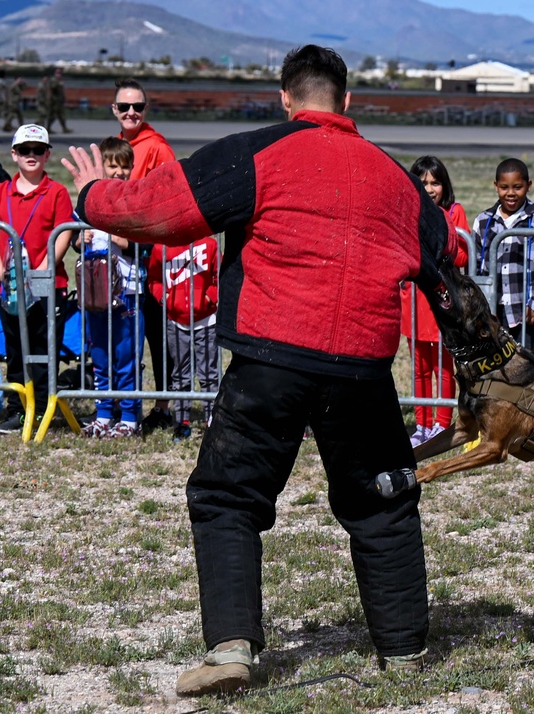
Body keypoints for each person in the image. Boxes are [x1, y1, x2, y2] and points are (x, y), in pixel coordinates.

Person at [64, 45, 459, 695]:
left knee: (227, 497)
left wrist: (92, 194)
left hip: (269, 357)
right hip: (362, 366)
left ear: (285, 98)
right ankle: (405, 650)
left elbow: (164, 212)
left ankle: (232, 648)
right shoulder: (397, 181)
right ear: (347, 102)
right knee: (383, 502)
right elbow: (440, 265)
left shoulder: (257, 150)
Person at [0, 125, 73, 434]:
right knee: (14, 348)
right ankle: (17, 407)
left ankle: (40, 409)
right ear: (13, 155)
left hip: (47, 284)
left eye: (37, 150)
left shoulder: (56, 192)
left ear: (47, 155)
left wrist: (42, 269)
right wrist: (2, 272)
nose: (31, 156)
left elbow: (64, 231)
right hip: (10, 286)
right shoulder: (0, 192)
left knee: (43, 347)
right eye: (24, 150)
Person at [112, 77, 178, 434]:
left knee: (155, 329)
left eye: (137, 106)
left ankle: (164, 405)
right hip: (120, 252)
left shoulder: (156, 147)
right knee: (123, 332)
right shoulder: (119, 145)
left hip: (148, 251)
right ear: (115, 110)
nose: (131, 112)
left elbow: (170, 195)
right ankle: (122, 402)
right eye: (124, 107)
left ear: (146, 109)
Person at [76, 137, 145, 438]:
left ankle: (129, 416)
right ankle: (104, 412)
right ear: (101, 168)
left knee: (126, 356)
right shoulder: (87, 203)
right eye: (112, 166)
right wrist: (82, 240)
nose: (118, 173)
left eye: (124, 167)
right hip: (96, 295)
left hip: (128, 293)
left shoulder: (136, 203)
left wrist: (125, 240)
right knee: (101, 356)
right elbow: (74, 239)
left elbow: (147, 244)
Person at [402, 155, 469, 447]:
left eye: (435, 182)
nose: (429, 189)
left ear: (445, 185)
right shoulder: (405, 211)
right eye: (423, 182)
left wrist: (440, 244)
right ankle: (422, 424)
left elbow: (464, 254)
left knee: (443, 367)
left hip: (442, 302)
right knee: (419, 368)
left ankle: (442, 424)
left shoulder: (454, 212)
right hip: (413, 302)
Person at [471, 158, 534, 357]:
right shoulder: (483, 221)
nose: (510, 193)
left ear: (528, 186)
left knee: (531, 371)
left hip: (528, 315)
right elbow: (475, 269)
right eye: (504, 187)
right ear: (496, 187)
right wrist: (480, 310)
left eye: (517, 187)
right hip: (493, 314)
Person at [146, 235, 221, 441]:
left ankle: (212, 421)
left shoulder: (210, 244)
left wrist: (209, 298)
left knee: (209, 374)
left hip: (206, 321)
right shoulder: (161, 247)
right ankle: (182, 422)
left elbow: (219, 275)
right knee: (180, 374)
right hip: (176, 321)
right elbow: (153, 279)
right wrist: (166, 299)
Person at [47, 68, 72, 134]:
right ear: (55, 74)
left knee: (62, 116)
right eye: (57, 73)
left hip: (59, 101)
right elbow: (52, 87)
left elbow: (61, 92)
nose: (59, 75)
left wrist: (63, 99)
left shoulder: (59, 80)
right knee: (53, 116)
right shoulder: (53, 80)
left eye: (60, 73)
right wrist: (58, 84)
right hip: (54, 102)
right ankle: (48, 128)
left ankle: (64, 128)